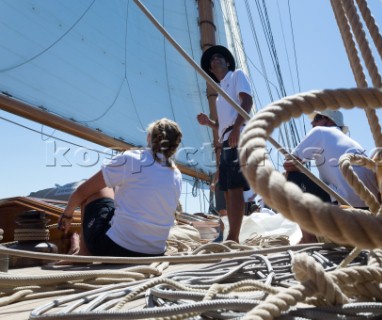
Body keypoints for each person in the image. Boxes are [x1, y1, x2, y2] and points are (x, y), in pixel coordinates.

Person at [57, 118, 183, 257]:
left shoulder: (132, 159)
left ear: (149, 137)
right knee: (114, 188)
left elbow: (81, 192)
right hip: (156, 251)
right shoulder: (176, 173)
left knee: (97, 188)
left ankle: (83, 253)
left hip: (117, 248)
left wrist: (67, 214)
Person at [283, 110, 379, 243]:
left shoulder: (320, 132)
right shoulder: (353, 144)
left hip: (346, 205)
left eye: (316, 118)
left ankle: (309, 238)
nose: (312, 123)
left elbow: (289, 164)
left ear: (328, 121)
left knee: (291, 176)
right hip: (372, 210)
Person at [197, 45, 253, 243]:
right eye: (212, 60)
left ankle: (233, 238)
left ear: (227, 62)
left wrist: (237, 128)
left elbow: (247, 102)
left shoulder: (237, 75)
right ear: (211, 70)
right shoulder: (220, 95)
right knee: (228, 190)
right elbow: (223, 125)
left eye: (219, 57)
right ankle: (232, 234)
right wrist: (209, 123)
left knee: (235, 188)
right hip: (228, 139)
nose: (215, 60)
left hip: (240, 134)